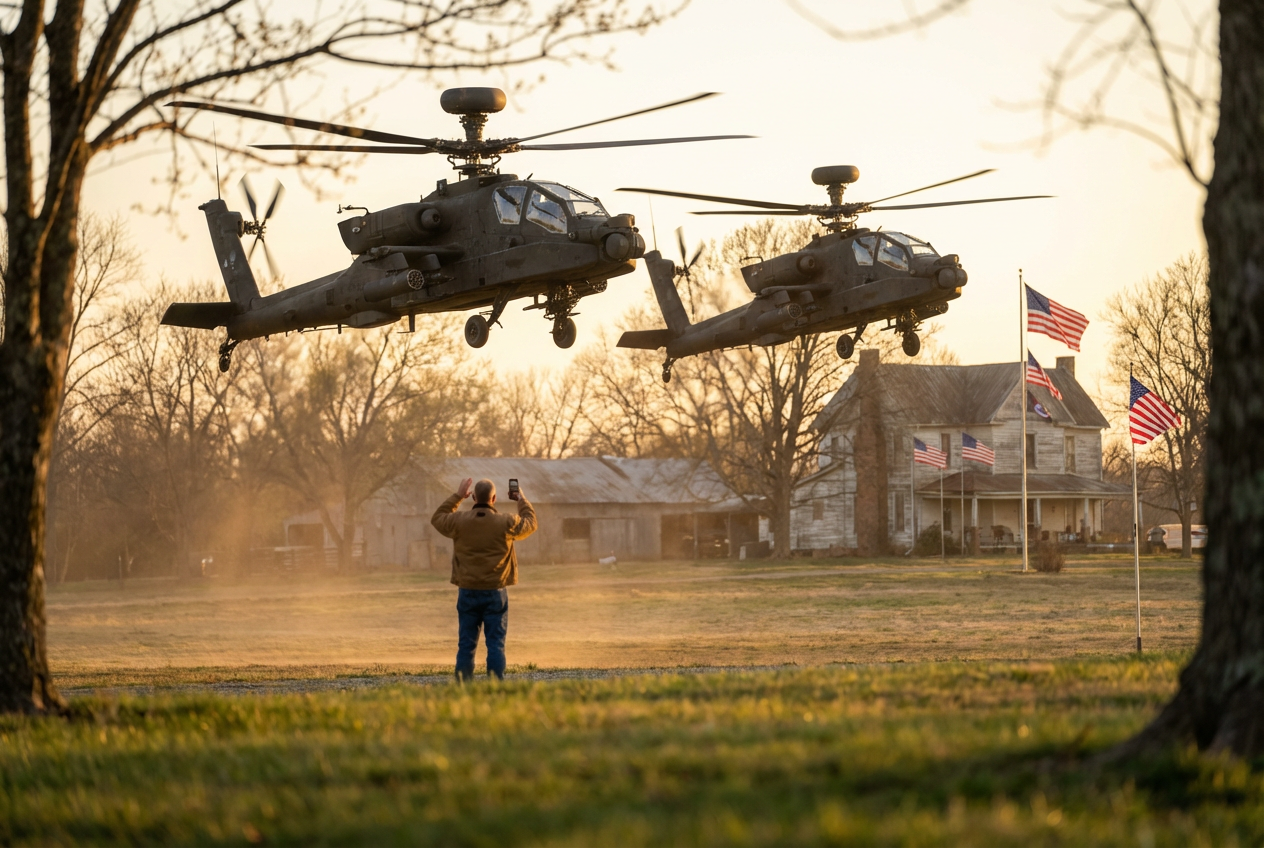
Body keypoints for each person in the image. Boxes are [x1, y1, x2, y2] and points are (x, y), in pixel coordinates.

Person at [431, 477, 537, 680]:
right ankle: (494, 685)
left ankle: (463, 684)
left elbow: (437, 518)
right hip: (495, 592)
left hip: (467, 590)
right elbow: (531, 523)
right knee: (495, 643)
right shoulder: (506, 522)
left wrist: (457, 496)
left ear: (472, 497)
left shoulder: (459, 521)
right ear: (494, 498)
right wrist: (520, 499)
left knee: (466, 644)